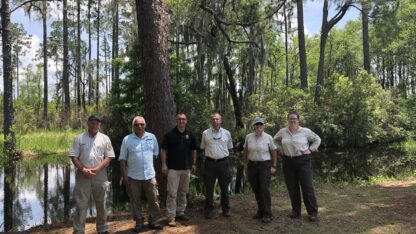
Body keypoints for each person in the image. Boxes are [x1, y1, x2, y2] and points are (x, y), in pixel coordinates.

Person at [69, 115, 115, 234]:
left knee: (102, 204)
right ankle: (79, 230)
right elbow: (73, 156)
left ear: (99, 125)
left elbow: (109, 157)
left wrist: (98, 168)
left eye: (97, 123)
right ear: (87, 124)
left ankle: (102, 228)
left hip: (100, 175)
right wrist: (83, 169)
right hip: (82, 175)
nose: (94, 125)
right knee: (81, 204)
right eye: (92, 123)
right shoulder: (79, 138)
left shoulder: (105, 139)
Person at [273, 110, 321, 222]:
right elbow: (274, 140)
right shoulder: (282, 132)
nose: (292, 120)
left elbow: (317, 139)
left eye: (294, 119)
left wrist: (310, 149)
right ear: (288, 120)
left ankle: (312, 212)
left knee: (307, 187)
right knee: (292, 187)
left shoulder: (305, 131)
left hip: (303, 161)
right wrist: (280, 149)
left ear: (298, 120)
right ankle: (296, 211)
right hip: (288, 162)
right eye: (291, 118)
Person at [119, 116, 163, 232]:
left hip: (149, 175)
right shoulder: (127, 139)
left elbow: (155, 154)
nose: (139, 126)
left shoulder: (152, 137)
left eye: (142, 124)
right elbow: (122, 159)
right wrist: (124, 176)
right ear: (133, 126)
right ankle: (139, 222)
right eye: (137, 124)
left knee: (154, 199)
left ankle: (153, 221)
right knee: (135, 201)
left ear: (145, 125)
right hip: (133, 176)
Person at [161, 112, 197, 227]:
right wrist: (163, 165)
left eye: (183, 119)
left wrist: (194, 163)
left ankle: (180, 212)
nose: (181, 121)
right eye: (179, 119)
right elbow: (163, 150)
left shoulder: (190, 135)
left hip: (186, 169)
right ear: (176, 121)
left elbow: (194, 150)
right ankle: (171, 216)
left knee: (183, 192)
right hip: (173, 169)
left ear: (186, 121)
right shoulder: (169, 134)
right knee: (172, 193)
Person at [243, 117, 277, 223]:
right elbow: (245, 150)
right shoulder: (248, 137)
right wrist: (245, 164)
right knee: (256, 188)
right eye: (256, 125)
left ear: (263, 126)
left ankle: (267, 213)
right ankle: (260, 210)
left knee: (264, 189)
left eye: (260, 125)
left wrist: (274, 165)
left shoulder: (268, 137)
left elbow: (274, 151)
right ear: (254, 126)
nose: (258, 127)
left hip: (264, 165)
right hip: (252, 165)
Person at [200, 112, 233, 219]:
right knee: (209, 188)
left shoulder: (227, 133)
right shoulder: (205, 133)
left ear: (221, 120)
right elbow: (203, 147)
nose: (215, 121)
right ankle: (209, 210)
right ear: (211, 121)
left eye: (217, 119)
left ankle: (226, 209)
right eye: (213, 119)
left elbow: (229, 148)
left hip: (223, 163)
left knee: (224, 188)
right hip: (209, 163)